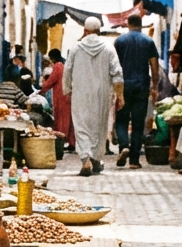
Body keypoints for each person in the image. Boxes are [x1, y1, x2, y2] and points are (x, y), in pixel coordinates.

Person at [64, 16, 124, 176]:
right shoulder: (109, 48)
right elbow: (117, 74)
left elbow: (67, 70)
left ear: (85, 30)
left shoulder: (76, 48)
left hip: (80, 94)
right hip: (103, 94)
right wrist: (120, 96)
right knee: (99, 126)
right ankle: (96, 159)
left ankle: (87, 160)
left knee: (82, 125)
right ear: (99, 31)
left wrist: (67, 90)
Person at [112, 13, 161, 169]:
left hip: (123, 86)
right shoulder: (148, 41)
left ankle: (123, 146)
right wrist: (155, 86)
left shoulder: (119, 41)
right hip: (141, 86)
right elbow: (154, 65)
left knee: (121, 119)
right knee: (138, 123)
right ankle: (134, 160)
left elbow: (113, 65)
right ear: (141, 24)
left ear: (127, 24)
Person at [40, 48, 73, 149]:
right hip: (67, 95)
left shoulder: (58, 66)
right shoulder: (65, 65)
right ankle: (72, 142)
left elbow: (51, 81)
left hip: (61, 96)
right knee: (69, 120)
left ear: (52, 58)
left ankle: (61, 140)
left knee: (61, 119)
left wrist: (42, 90)